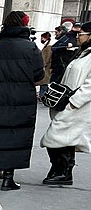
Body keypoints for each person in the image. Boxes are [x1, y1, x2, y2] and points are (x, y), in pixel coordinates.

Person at [0, 11, 45, 191]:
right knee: (14, 135)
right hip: (19, 99)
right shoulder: (30, 48)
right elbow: (39, 74)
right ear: (24, 26)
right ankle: (8, 178)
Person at [39, 21, 91, 185]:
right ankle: (60, 170)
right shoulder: (83, 53)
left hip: (78, 106)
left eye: (80, 34)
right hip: (69, 103)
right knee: (65, 138)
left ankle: (64, 171)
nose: (78, 37)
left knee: (56, 136)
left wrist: (74, 101)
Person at [37, 31, 52, 98]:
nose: (41, 39)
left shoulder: (49, 47)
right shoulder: (46, 46)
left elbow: (47, 58)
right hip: (45, 67)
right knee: (43, 83)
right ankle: (42, 95)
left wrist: (43, 64)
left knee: (44, 83)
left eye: (42, 38)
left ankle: (42, 96)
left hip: (46, 68)